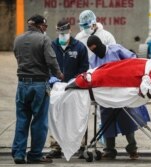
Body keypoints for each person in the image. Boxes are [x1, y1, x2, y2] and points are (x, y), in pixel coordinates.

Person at [87, 35, 150, 160]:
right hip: (105, 95)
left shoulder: (115, 50)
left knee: (126, 118)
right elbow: (91, 75)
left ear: (100, 44)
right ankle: (109, 150)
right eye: (92, 50)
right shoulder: (93, 59)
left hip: (122, 92)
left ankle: (132, 149)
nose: (96, 52)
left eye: (96, 48)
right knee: (106, 121)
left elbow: (133, 60)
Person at [12, 14, 64, 164]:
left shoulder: (18, 39)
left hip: (22, 84)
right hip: (39, 85)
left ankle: (19, 154)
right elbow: (51, 60)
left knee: (22, 120)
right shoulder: (43, 39)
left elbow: (17, 56)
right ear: (41, 25)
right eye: (45, 26)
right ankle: (34, 155)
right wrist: (59, 74)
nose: (45, 29)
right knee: (40, 122)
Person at [75, 9, 116, 158]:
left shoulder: (107, 36)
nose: (86, 29)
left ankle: (106, 146)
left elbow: (114, 56)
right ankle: (83, 145)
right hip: (86, 79)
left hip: (103, 79)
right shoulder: (80, 37)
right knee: (83, 112)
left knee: (102, 114)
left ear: (93, 23)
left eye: (88, 25)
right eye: (83, 26)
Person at [46, 18, 89, 159]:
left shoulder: (79, 47)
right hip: (57, 88)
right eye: (60, 32)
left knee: (77, 116)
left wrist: (74, 82)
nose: (63, 35)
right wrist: (51, 79)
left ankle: (81, 145)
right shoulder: (52, 46)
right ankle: (56, 146)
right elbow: (47, 65)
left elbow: (84, 68)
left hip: (74, 88)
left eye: (65, 32)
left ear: (70, 31)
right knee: (55, 116)